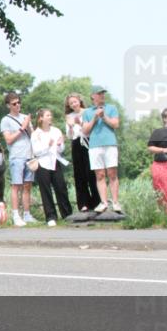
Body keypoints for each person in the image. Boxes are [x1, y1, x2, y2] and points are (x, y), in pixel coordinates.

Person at [81, 85, 122, 213]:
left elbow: (116, 124)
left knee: (112, 173)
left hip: (109, 144)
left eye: (103, 93)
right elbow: (85, 131)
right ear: (93, 96)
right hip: (94, 146)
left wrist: (104, 117)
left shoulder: (112, 108)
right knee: (99, 175)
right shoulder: (87, 112)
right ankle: (104, 202)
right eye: (99, 94)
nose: (102, 95)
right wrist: (95, 117)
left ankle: (115, 202)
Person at [0, 92, 37, 226]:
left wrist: (29, 126)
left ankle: (27, 214)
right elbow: (8, 140)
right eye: (14, 104)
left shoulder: (25, 117)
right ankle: (16, 215)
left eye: (19, 102)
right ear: (8, 105)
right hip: (17, 156)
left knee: (27, 185)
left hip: (29, 155)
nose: (17, 105)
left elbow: (33, 136)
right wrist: (22, 128)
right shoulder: (6, 120)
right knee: (16, 186)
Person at [30, 109, 72, 226]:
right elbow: (36, 151)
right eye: (47, 115)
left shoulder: (56, 131)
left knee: (61, 188)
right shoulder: (35, 134)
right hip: (42, 164)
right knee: (46, 190)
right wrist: (47, 146)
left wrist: (59, 145)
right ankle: (50, 216)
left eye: (50, 115)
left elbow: (61, 150)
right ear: (41, 118)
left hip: (55, 161)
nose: (50, 117)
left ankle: (67, 214)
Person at [64, 92, 100, 213]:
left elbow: (91, 129)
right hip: (76, 143)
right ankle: (83, 203)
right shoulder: (69, 116)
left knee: (91, 173)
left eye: (75, 101)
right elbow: (69, 136)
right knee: (79, 175)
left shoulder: (88, 112)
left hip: (88, 142)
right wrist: (69, 127)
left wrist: (80, 123)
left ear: (79, 100)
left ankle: (97, 202)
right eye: (71, 103)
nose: (74, 104)